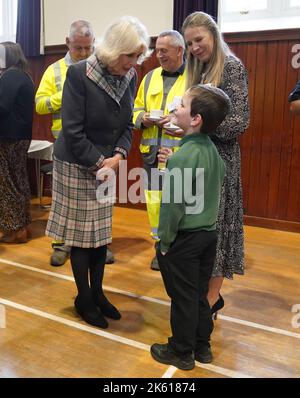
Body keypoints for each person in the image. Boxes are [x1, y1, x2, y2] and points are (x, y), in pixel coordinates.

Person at [45, 16, 149, 328]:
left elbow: (128, 124)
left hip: (106, 163)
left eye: (137, 57)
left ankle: (98, 293)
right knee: (81, 238)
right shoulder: (78, 74)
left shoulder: (129, 75)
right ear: (113, 49)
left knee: (100, 236)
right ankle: (84, 299)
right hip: (77, 163)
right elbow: (73, 132)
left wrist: (117, 156)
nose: (133, 63)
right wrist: (100, 164)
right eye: (129, 56)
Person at [151, 85, 230, 370]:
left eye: (182, 106)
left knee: (181, 298)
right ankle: (201, 345)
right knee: (198, 295)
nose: (175, 109)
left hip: (185, 239)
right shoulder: (212, 152)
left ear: (195, 118)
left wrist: (165, 241)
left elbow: (172, 208)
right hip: (209, 235)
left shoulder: (183, 157)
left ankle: (181, 351)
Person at [181, 12, 250, 315]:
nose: (195, 47)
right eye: (190, 43)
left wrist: (197, 125)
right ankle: (201, 294)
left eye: (199, 40)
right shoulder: (197, 70)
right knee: (199, 230)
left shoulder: (232, 68)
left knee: (217, 231)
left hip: (220, 164)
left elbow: (238, 122)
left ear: (214, 34)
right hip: (198, 158)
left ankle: (211, 299)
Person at [35, 21, 119, 266]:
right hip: (65, 147)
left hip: (97, 146)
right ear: (67, 43)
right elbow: (39, 104)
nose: (83, 54)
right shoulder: (54, 70)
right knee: (64, 199)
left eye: (88, 48)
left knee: (101, 197)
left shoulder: (102, 69)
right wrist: (66, 95)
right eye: (78, 48)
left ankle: (101, 245)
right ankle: (62, 245)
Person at [133, 30, 186, 271]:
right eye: (157, 50)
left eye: (164, 50)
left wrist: (178, 126)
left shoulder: (194, 78)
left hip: (181, 157)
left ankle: (179, 251)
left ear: (180, 51)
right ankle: (160, 249)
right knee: (155, 205)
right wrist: (144, 118)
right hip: (152, 157)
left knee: (179, 204)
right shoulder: (149, 77)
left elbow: (201, 120)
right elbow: (134, 113)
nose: (159, 55)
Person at [0, 42, 34, 243]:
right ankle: (24, 225)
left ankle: (15, 230)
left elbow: (2, 107)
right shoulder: (23, 75)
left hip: (8, 137)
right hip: (20, 136)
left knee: (8, 184)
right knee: (19, 181)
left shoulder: (10, 76)